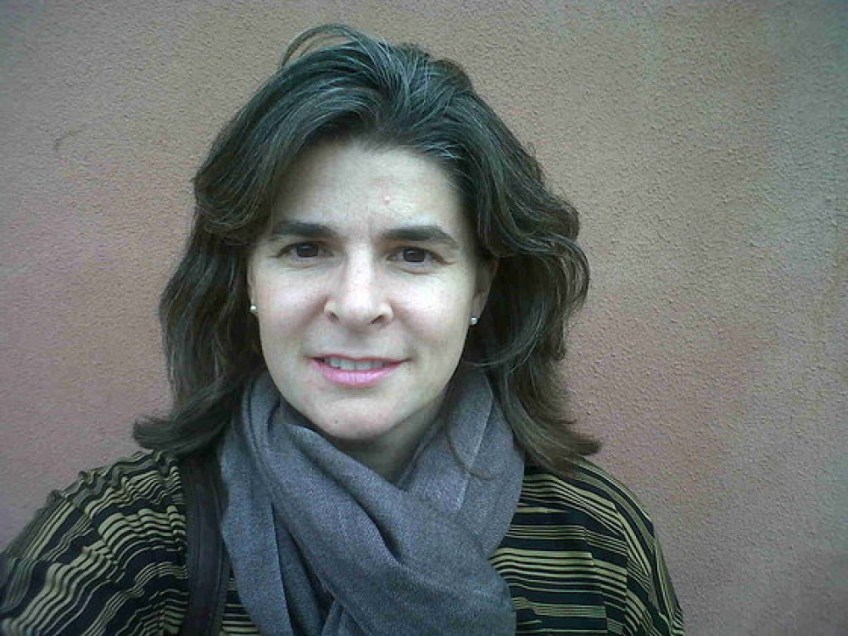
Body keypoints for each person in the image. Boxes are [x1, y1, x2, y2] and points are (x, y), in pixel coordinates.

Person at [0, 25, 684, 635]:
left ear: (479, 287)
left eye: (413, 254)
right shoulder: (126, 541)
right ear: (248, 279)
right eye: (306, 249)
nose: (357, 306)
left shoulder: (598, 545)